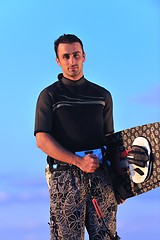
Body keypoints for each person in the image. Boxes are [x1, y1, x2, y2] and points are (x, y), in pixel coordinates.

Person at [34, 34, 120, 240]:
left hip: (101, 176)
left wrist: (121, 183)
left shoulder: (102, 95)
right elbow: (42, 139)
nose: (72, 61)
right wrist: (79, 161)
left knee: (106, 236)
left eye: (76, 55)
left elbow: (110, 140)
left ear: (84, 56)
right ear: (58, 60)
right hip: (65, 178)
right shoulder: (50, 95)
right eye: (66, 57)